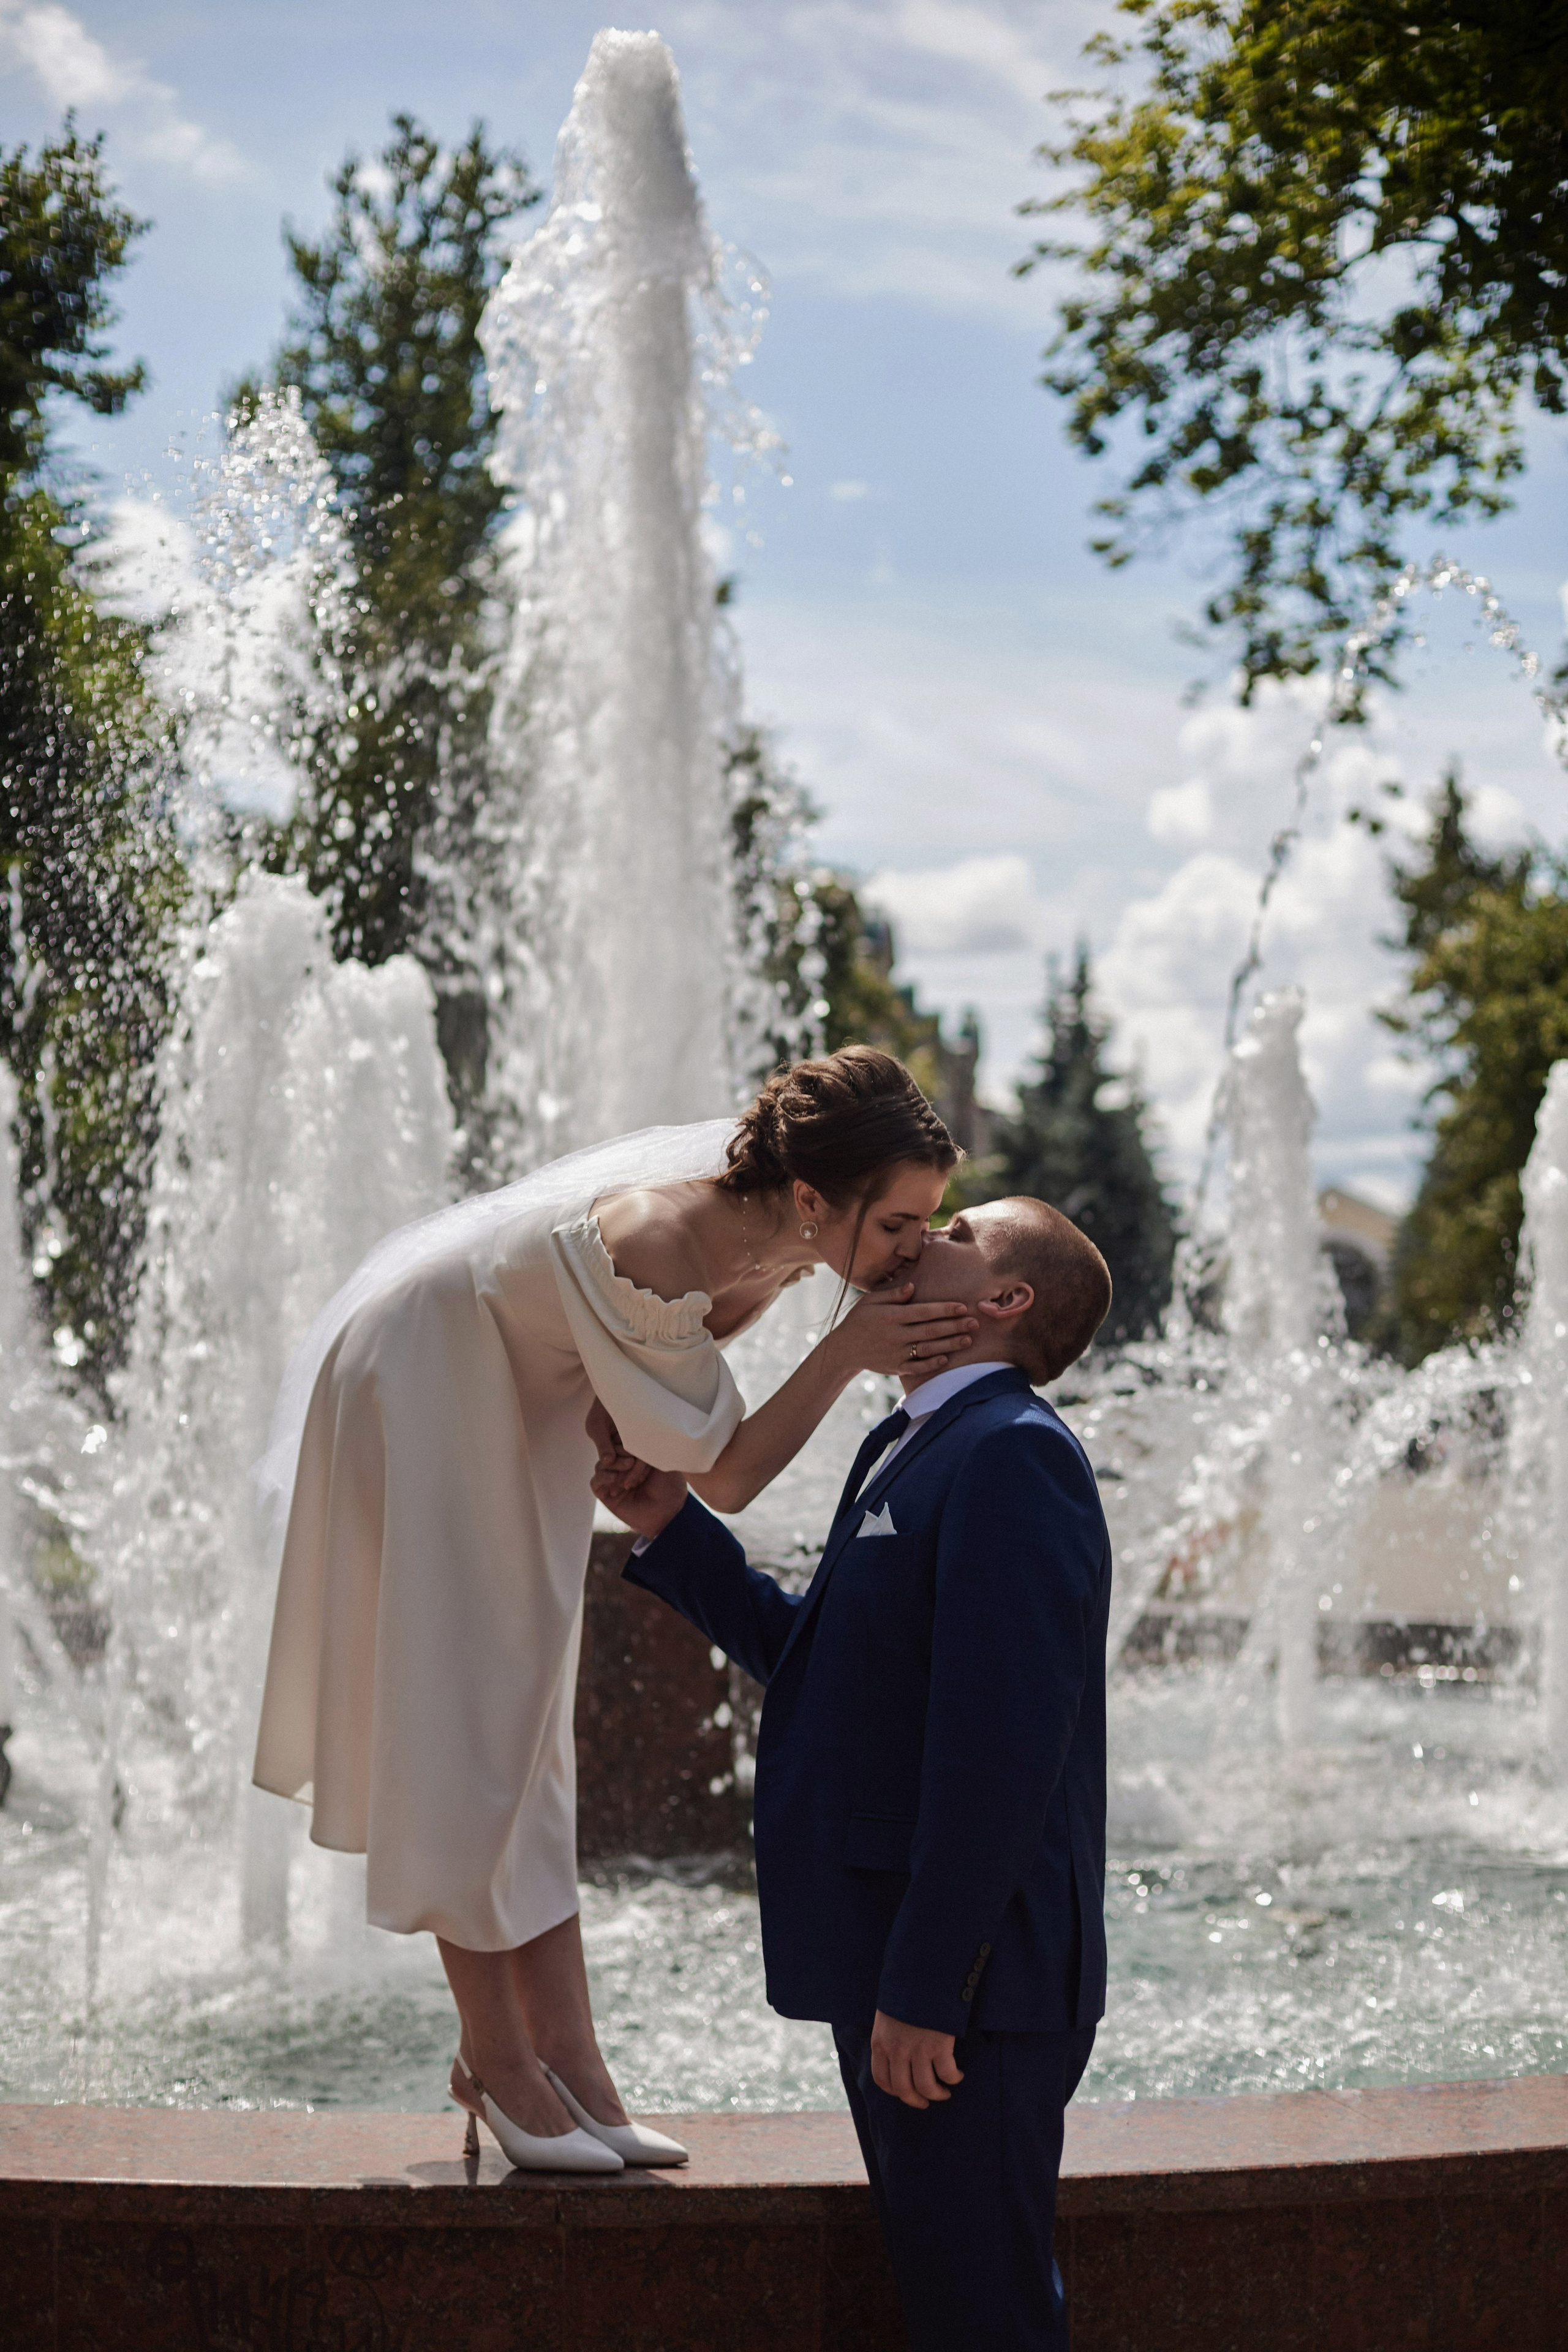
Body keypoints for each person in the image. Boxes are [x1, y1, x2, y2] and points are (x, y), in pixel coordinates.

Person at [252, 1047, 978, 2173]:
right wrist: (847, 1353)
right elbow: (723, 1475)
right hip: (426, 1375)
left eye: (925, 1225)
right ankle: (497, 2061)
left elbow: (655, 1407)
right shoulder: (657, 1236)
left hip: (515, 1396)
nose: (913, 1251)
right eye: (895, 1225)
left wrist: (622, 1397)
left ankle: (573, 2066)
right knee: (468, 1717)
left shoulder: (782, 1246)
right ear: (809, 1197)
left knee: (531, 1732)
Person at [594, 1197, 1111, 2343]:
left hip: (971, 1992)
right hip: (906, 1967)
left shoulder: (1016, 1456)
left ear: (1004, 1302)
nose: (923, 1235)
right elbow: (825, 1665)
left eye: (962, 1229)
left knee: (986, 2315)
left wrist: (931, 1985)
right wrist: (676, 1529)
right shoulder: (912, 1443)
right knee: (949, 2298)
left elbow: (1004, 1755)